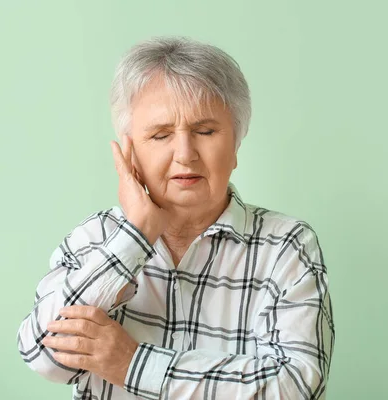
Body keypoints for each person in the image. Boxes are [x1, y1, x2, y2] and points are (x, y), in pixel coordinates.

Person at [17, 36, 335, 399]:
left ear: (236, 143)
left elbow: (297, 386)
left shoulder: (287, 246)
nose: (185, 154)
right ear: (130, 152)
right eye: (161, 134)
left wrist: (132, 364)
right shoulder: (96, 237)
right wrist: (135, 237)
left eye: (205, 131)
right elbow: (42, 356)